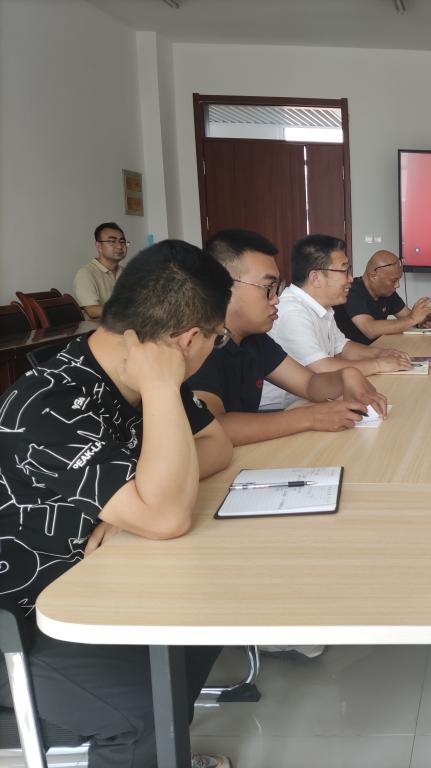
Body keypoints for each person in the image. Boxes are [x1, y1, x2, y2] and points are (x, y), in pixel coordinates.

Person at [0, 239, 235, 768]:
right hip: (24, 619)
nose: (212, 349)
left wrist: (135, 510)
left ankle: (165, 752)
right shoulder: (50, 403)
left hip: (94, 585)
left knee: (210, 618)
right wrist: (146, 502)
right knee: (143, 709)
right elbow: (167, 517)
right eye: (215, 338)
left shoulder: (141, 368)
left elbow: (216, 443)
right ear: (189, 339)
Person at [188, 229, 387, 446]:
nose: (276, 299)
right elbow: (213, 426)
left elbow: (309, 384)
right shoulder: (200, 343)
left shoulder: (254, 339)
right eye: (268, 288)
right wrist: (311, 417)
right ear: (223, 288)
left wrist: (346, 376)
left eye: (277, 287)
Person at [261, 234, 413, 411]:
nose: (350, 279)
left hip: (309, 400)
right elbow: (321, 368)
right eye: (344, 271)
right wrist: (378, 364)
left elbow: (342, 348)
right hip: (279, 409)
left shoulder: (323, 307)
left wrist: (380, 353)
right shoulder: (292, 311)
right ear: (316, 278)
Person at [337, 249, 431, 344]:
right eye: (394, 280)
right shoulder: (352, 291)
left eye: (399, 280)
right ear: (373, 276)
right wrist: (412, 319)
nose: (397, 285)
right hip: (352, 353)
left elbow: (408, 317)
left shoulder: (387, 292)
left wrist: (422, 319)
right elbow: (370, 330)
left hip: (378, 347)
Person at [74, 222, 130, 319]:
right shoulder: (86, 274)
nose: (119, 246)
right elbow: (92, 310)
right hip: (98, 327)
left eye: (122, 242)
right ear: (99, 246)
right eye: (112, 241)